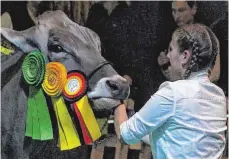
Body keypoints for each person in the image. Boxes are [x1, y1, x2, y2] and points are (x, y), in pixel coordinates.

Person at [114, 23, 227, 159]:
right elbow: (177, 140)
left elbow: (125, 135)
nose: (167, 55)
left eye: (171, 49)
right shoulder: (219, 97)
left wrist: (118, 99)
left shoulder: (173, 93)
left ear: (185, 56)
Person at [157, 1, 221, 82]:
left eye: (181, 10)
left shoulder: (207, 37)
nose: (176, 16)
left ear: (193, 9)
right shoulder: (175, 37)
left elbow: (215, 75)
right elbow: (174, 77)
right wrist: (165, 65)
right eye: (174, 11)